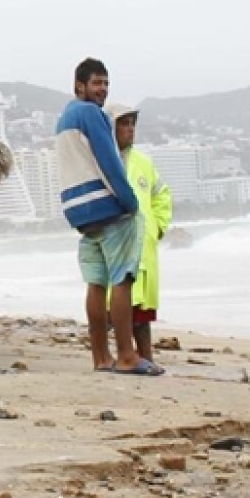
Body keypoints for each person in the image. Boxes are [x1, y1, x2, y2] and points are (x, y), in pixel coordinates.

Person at [54, 58, 160, 375]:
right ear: (79, 85)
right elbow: (108, 161)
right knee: (122, 280)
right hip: (106, 207)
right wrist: (130, 203)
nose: (102, 90)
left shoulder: (63, 120)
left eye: (106, 84)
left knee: (96, 284)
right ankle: (127, 355)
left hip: (80, 213)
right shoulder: (90, 114)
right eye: (97, 83)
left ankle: (101, 357)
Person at [106, 98, 172, 362]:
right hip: (114, 243)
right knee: (116, 307)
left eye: (132, 123)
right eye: (123, 123)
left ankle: (147, 357)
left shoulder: (144, 163)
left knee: (142, 311)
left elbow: (161, 195)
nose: (130, 129)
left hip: (143, 244)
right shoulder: (101, 160)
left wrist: (158, 226)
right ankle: (118, 357)